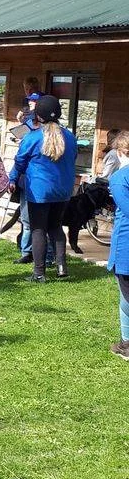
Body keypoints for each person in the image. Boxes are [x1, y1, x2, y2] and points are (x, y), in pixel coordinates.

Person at [8, 94, 78, 283]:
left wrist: (12, 179)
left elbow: (20, 162)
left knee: (38, 229)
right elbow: (73, 158)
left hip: (39, 191)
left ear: (38, 116)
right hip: (63, 190)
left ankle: (39, 273)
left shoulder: (33, 137)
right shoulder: (70, 137)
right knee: (56, 226)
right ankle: (62, 267)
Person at [106, 132, 129, 360]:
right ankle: (125, 341)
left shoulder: (120, 178)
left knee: (127, 295)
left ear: (121, 153)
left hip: (127, 245)